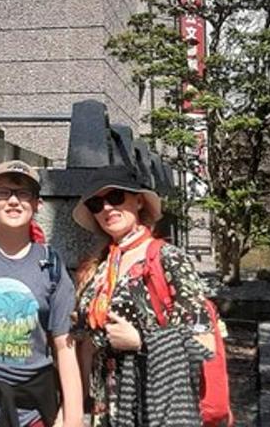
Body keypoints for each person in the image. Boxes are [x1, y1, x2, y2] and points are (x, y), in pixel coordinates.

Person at [72, 165, 212, 427]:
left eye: (115, 197)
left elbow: (204, 342)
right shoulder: (100, 266)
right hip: (106, 403)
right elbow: (88, 343)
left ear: (138, 201)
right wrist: (78, 406)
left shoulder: (167, 258)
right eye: (96, 203)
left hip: (155, 399)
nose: (106, 208)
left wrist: (141, 340)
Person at [0, 160, 82, 427]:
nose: (13, 201)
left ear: (37, 204)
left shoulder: (51, 265)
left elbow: (64, 346)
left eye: (23, 194)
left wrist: (73, 416)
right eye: (3, 192)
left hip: (31, 407)